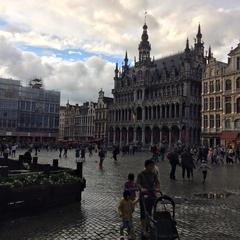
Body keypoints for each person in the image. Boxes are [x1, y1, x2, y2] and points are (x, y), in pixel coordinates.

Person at [137, 159, 160, 237]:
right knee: (143, 212)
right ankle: (143, 229)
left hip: (152, 194)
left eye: (153, 166)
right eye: (151, 166)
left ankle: (148, 225)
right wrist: (141, 188)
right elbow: (138, 183)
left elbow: (157, 182)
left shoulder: (154, 174)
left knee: (149, 211)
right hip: (144, 195)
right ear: (146, 166)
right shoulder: (140, 174)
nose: (153, 167)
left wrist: (157, 188)